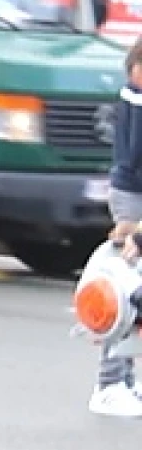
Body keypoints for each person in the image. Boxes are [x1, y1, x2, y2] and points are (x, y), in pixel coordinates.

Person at [91, 36, 142, 417]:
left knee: (134, 296)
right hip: (133, 197)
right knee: (123, 294)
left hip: (130, 193)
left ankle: (124, 378)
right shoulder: (136, 96)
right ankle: (109, 383)